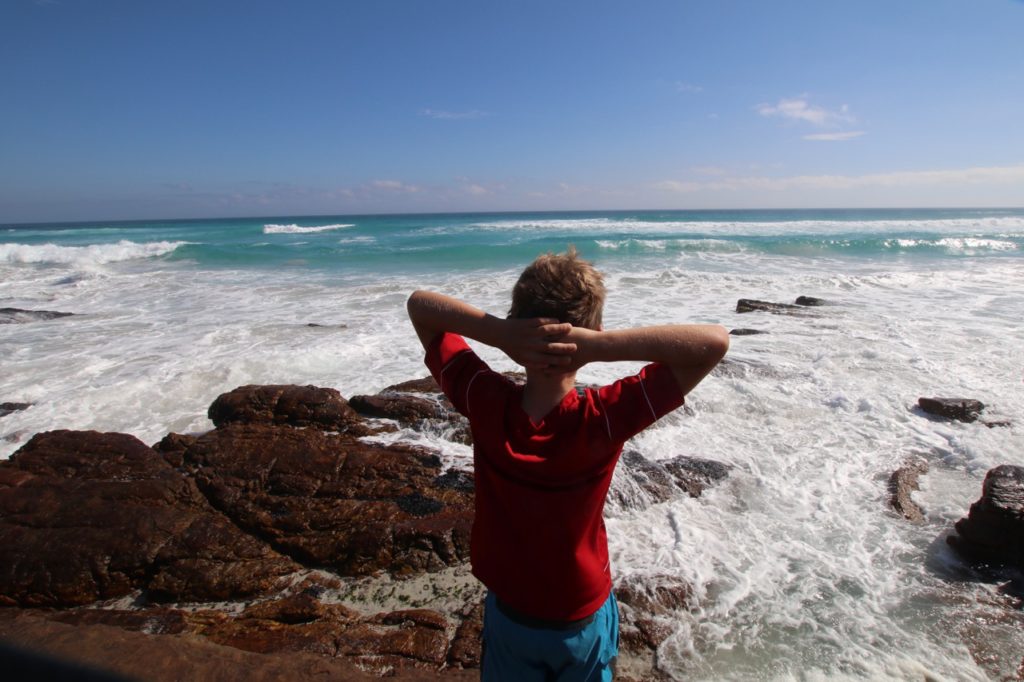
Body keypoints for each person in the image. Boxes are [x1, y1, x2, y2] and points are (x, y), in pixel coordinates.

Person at [406, 248, 728, 681]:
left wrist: (500, 334)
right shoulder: (603, 418)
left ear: (518, 321)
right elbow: (713, 343)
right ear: (593, 328)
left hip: (511, 610)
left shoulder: (483, 400)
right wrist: (597, 346)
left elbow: (420, 306)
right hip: (580, 613)